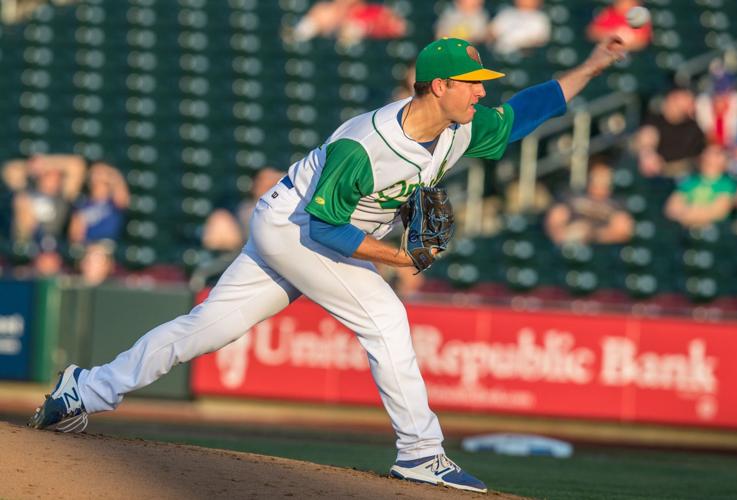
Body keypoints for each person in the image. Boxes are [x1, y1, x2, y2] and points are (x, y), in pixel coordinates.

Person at [29, 35, 627, 493]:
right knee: (386, 320)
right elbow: (324, 229)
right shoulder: (364, 143)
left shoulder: (457, 128)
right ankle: (421, 452)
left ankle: (82, 390)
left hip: (294, 223)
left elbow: (528, 110)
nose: (482, 91)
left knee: (205, 329)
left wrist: (592, 67)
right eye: (472, 82)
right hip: (298, 228)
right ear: (438, 86)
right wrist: (398, 257)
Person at [545, 160, 634, 245]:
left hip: (601, 248)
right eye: (597, 180)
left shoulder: (617, 204)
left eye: (606, 182)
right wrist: (570, 234)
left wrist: (593, 234)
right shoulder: (572, 197)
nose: (601, 185)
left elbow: (624, 232)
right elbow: (555, 221)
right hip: (571, 240)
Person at [634, 87, 706, 178]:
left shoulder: (696, 125)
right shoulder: (654, 118)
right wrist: (647, 155)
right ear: (671, 98)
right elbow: (647, 135)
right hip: (665, 175)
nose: (689, 103)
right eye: (679, 100)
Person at [664, 144, 737, 228]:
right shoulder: (690, 181)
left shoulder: (727, 184)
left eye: (719, 153)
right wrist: (696, 213)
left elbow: (719, 211)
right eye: (714, 153)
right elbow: (671, 208)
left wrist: (688, 213)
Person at [68, 162, 130, 246]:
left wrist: (111, 173)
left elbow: (123, 200)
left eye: (101, 174)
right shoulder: (82, 203)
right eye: (94, 174)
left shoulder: (114, 202)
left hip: (110, 246)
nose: (98, 177)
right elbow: (75, 235)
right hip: (90, 247)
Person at [587, 0, 651, 52]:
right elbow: (592, 33)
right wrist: (608, 35)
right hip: (606, 55)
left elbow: (643, 42)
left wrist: (624, 46)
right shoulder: (608, 13)